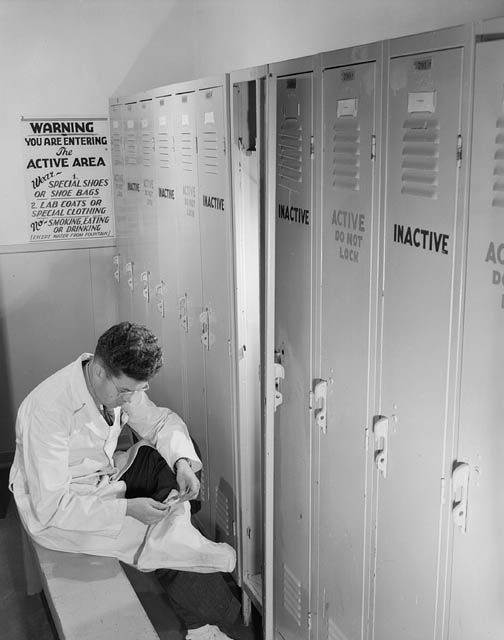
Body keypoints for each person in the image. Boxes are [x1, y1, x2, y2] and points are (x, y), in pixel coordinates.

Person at [9, 322, 239, 640]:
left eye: (136, 390)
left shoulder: (116, 383)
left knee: (178, 459)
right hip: (64, 504)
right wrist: (128, 510)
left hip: (103, 475)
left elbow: (159, 422)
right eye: (124, 391)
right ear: (100, 371)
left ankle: (173, 531)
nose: (128, 398)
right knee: (152, 535)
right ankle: (204, 622)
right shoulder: (47, 411)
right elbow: (52, 506)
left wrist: (184, 464)